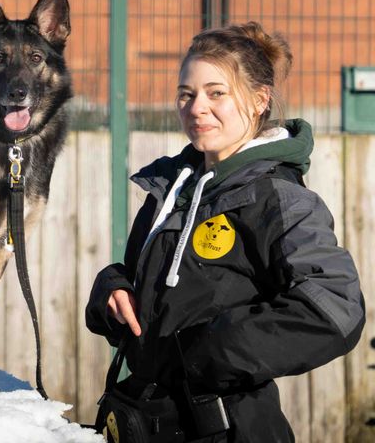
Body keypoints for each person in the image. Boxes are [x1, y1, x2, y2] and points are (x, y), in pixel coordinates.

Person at [85, 22, 365, 442]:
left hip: (230, 429)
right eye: (187, 93)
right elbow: (143, 284)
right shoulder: (169, 188)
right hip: (146, 421)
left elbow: (335, 307)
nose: (197, 107)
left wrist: (209, 351)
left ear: (258, 101)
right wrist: (112, 287)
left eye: (217, 93)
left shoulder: (277, 197)